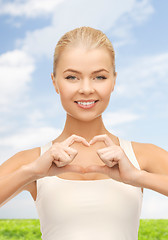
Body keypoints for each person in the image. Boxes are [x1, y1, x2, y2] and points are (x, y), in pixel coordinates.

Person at [0, 26, 168, 240]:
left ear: (114, 80)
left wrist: (138, 177)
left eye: (99, 77)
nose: (87, 89)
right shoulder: (32, 161)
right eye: (72, 77)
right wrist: (31, 173)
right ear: (55, 82)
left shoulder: (141, 156)